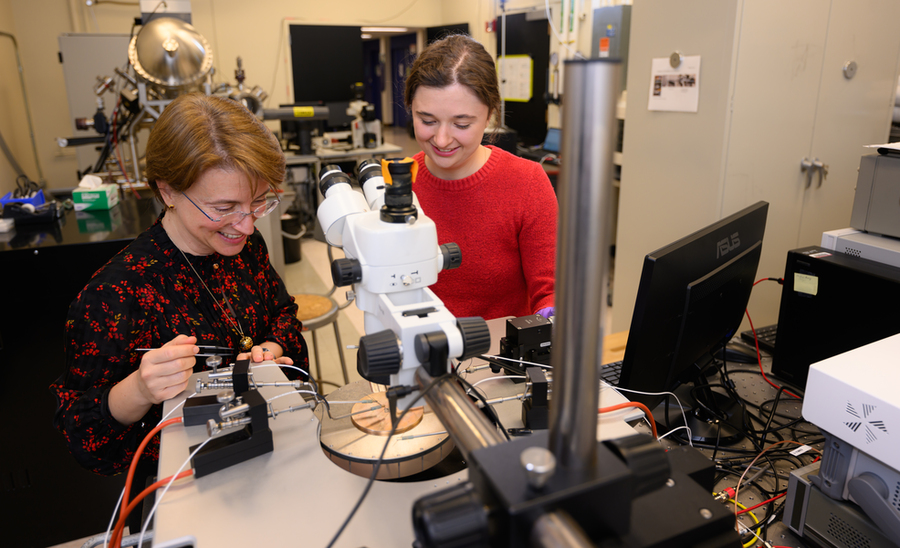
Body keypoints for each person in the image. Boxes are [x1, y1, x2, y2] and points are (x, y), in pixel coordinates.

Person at [50, 93, 309, 478]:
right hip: (185, 486)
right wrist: (139, 389)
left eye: (257, 203)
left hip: (268, 456)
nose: (247, 225)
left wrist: (266, 354)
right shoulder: (114, 296)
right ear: (168, 190)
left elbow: (283, 314)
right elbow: (82, 436)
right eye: (223, 208)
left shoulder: (245, 246)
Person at [404, 34, 557, 320]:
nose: (442, 138)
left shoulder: (527, 182)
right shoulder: (395, 181)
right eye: (427, 121)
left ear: (489, 116)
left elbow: (549, 288)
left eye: (461, 123)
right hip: (417, 351)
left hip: (498, 356)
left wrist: (552, 315)